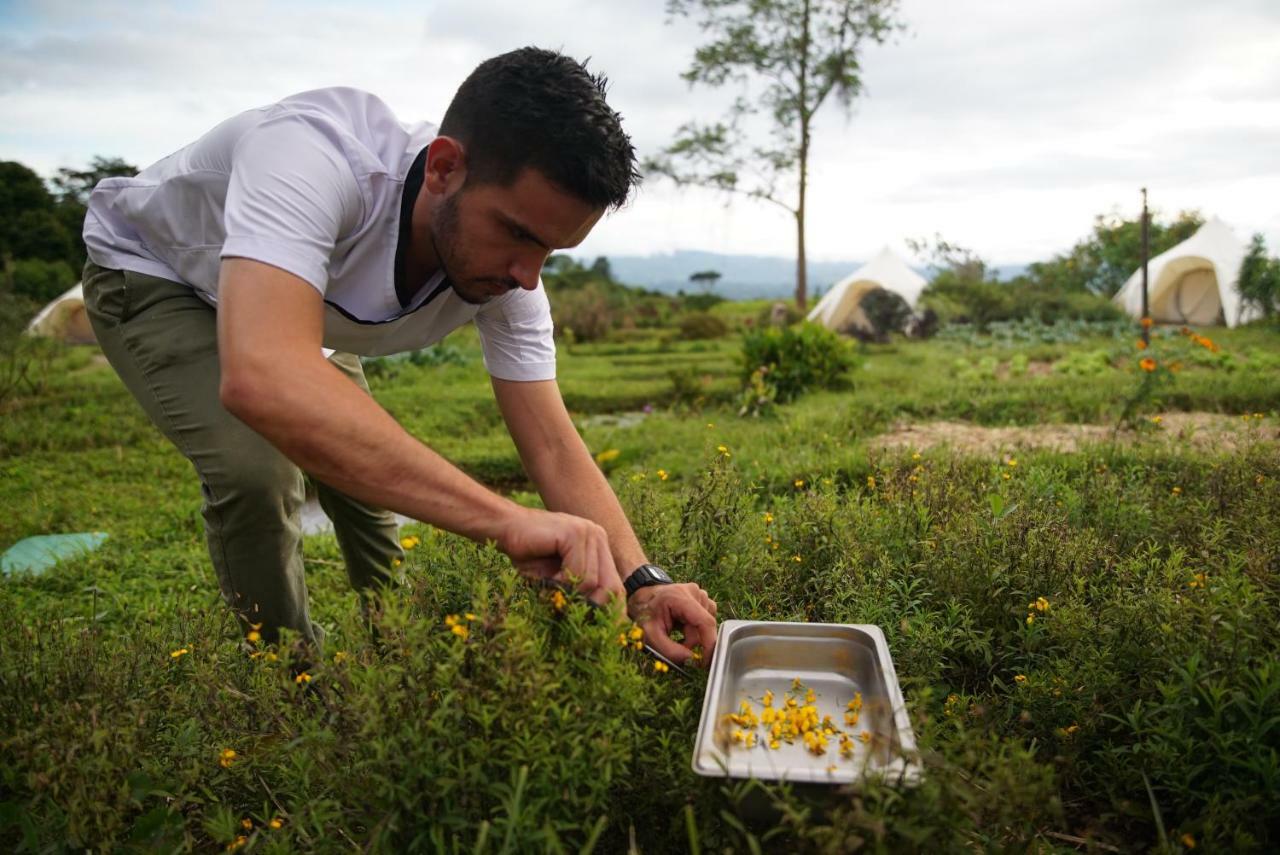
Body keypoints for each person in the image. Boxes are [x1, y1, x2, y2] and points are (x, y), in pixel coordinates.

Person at [81, 47, 717, 666]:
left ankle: (396, 644)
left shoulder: (508, 272)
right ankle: (294, 678)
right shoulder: (312, 153)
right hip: (160, 272)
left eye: (552, 250)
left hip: (297, 309)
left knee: (360, 482)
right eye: (519, 234)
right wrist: (505, 521)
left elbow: (551, 442)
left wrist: (642, 583)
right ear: (443, 168)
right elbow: (266, 376)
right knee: (258, 474)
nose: (529, 275)